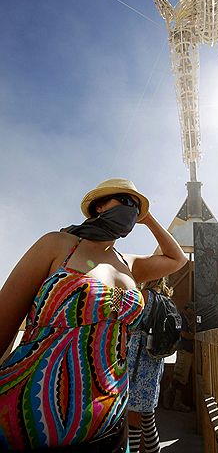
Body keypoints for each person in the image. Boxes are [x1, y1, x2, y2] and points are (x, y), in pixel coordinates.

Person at [0, 178, 187, 452]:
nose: (130, 210)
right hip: (29, 418)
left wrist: (148, 219)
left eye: (136, 207)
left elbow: (177, 259)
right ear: (99, 206)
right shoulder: (58, 244)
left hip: (108, 425)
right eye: (123, 201)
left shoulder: (129, 264)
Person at [127, 278, 173, 453]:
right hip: (155, 362)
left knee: (133, 415)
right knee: (147, 417)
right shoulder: (166, 300)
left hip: (138, 362)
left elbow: (130, 324)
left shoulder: (143, 296)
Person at [163, 302, 195, 412]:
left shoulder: (185, 318)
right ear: (187, 309)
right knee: (180, 377)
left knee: (181, 377)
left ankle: (170, 400)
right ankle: (173, 401)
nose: (193, 313)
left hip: (185, 350)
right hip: (184, 350)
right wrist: (195, 337)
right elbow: (183, 334)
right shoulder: (181, 318)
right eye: (192, 310)